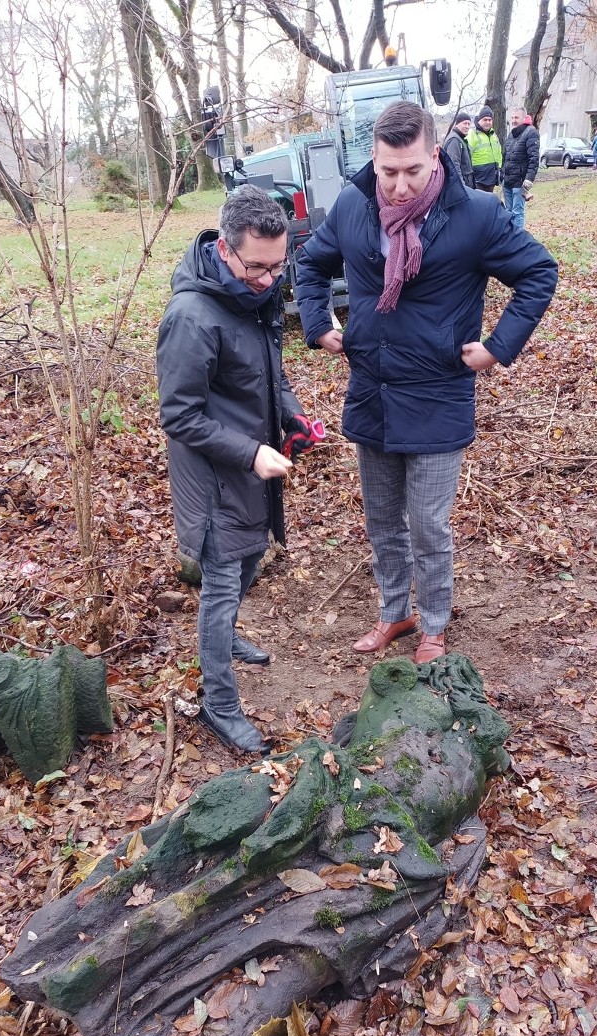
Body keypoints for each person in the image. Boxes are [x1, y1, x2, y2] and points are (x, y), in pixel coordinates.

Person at [296, 101, 557, 664]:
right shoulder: (351, 205)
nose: (398, 184)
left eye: (412, 170)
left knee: (429, 526)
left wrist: (496, 348)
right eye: (388, 171)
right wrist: (320, 325)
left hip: (439, 392)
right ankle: (396, 613)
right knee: (382, 520)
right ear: (374, 159)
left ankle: (434, 624)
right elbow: (310, 265)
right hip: (373, 391)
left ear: (434, 154)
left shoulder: (477, 216)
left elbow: (539, 272)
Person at [157, 186, 315, 753]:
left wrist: (293, 415)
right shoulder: (193, 317)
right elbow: (178, 415)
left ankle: (225, 638)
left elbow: (269, 377)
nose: (271, 279)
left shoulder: (254, 296)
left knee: (252, 556)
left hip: (252, 468)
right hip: (216, 479)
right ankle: (217, 703)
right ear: (225, 250)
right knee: (221, 587)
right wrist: (249, 453)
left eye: (279, 266)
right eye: (258, 267)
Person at [502, 106, 540, 231]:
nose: (513, 120)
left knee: (517, 212)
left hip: (520, 181)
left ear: (524, 118)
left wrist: (529, 179)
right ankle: (509, 238)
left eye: (516, 117)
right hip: (507, 181)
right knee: (508, 212)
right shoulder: (511, 134)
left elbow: (534, 158)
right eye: (512, 117)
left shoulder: (531, 132)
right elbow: (506, 156)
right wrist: (502, 175)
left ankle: (517, 240)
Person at [468, 105, 502, 192]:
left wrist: (499, 169)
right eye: (485, 120)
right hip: (478, 180)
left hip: (491, 179)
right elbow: (466, 157)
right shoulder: (472, 135)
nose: (487, 122)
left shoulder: (494, 135)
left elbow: (499, 154)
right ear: (479, 120)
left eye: (489, 120)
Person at [442, 110, 474, 188]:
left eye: (468, 124)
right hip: (461, 186)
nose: (467, 126)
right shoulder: (454, 140)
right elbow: (454, 165)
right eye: (464, 123)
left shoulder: (460, 138)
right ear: (457, 124)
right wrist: (461, 187)